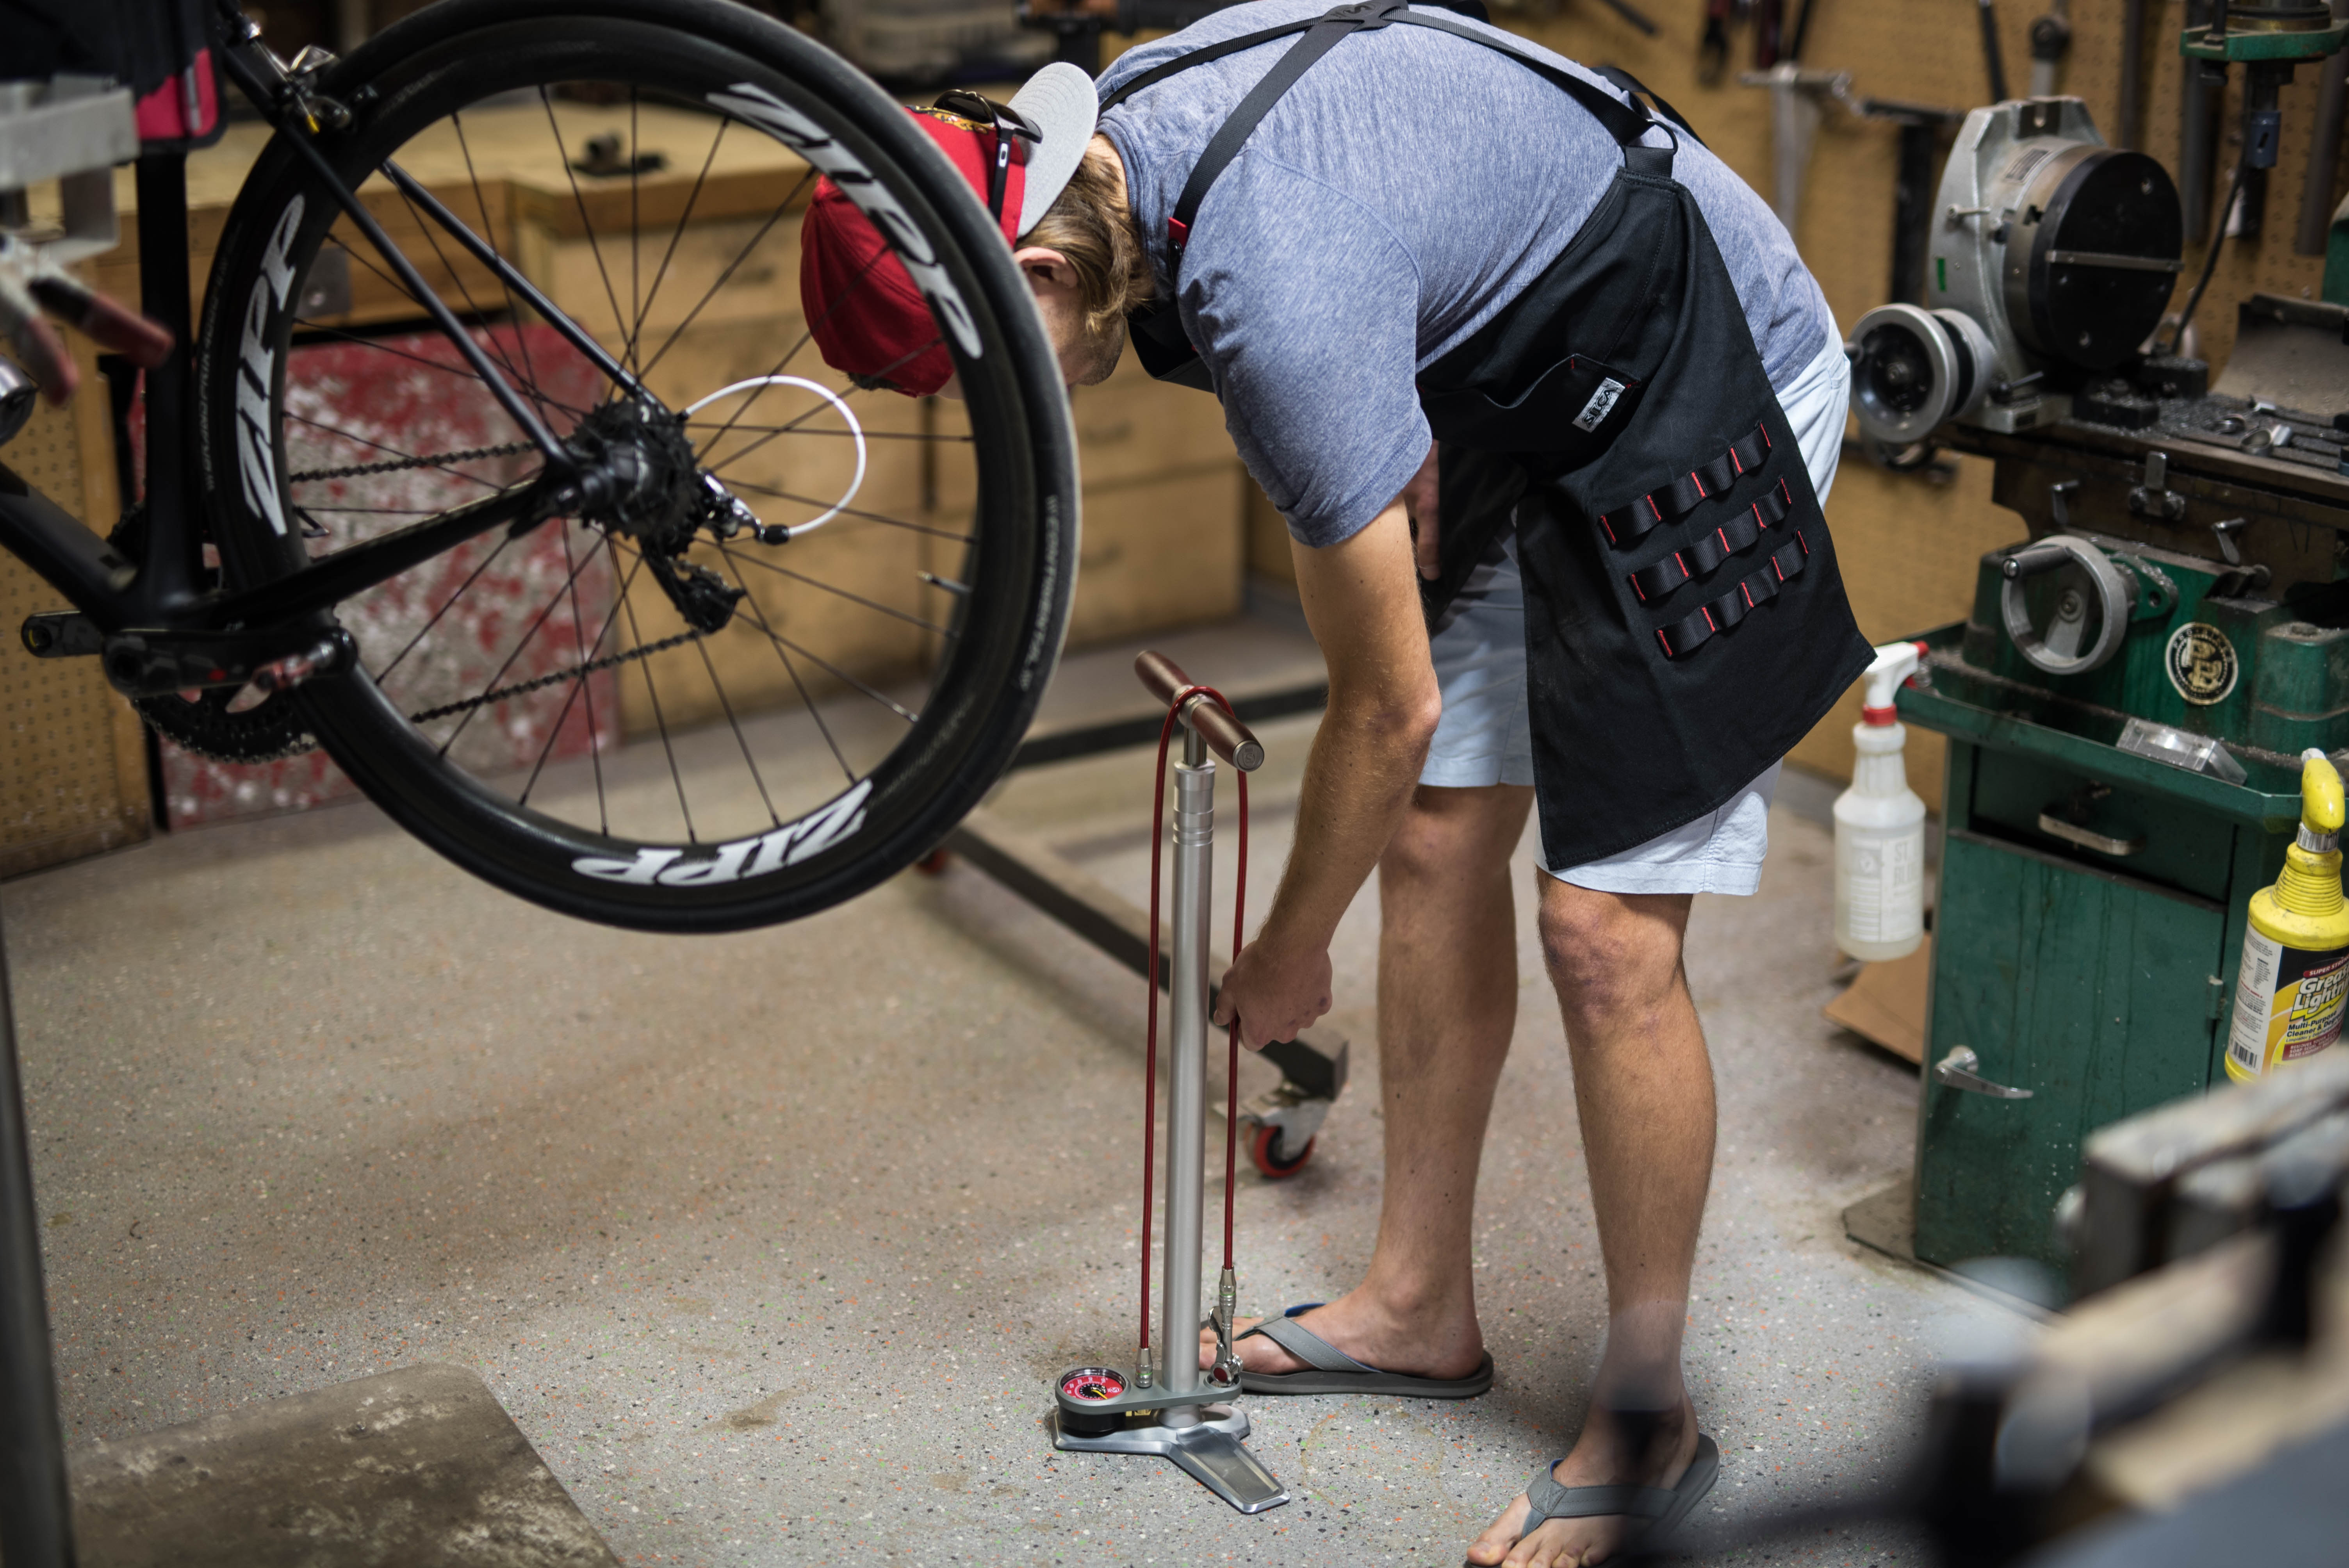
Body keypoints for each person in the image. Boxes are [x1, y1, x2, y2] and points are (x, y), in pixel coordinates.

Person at [798, 3, 1871, 1561]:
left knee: (1604, 934)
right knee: (1439, 848)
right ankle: (1418, 1303)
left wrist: (1290, 950)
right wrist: (1410, 387)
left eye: (977, 373)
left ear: (1033, 268)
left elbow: (1387, 709)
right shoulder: (1126, 133)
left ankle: (1651, 1420)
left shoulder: (1269, 294)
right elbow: (1402, 170)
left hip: (1710, 369)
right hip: (1534, 367)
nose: (993, 411)